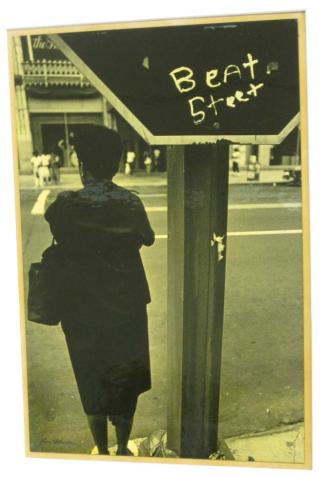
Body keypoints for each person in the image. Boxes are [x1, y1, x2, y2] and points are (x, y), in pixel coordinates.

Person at [44, 125, 155, 456]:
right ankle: (123, 448)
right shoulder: (130, 203)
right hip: (127, 309)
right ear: (116, 164)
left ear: (82, 164)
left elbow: (56, 225)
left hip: (81, 310)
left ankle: (102, 451)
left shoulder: (65, 205)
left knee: (91, 376)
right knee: (126, 379)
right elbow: (146, 237)